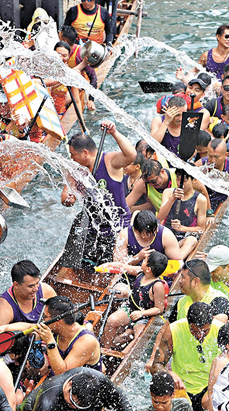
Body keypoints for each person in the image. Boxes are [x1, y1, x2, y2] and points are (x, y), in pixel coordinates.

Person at [62, 123, 138, 265]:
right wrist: (69, 199)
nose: (71, 158)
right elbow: (65, 197)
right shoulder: (75, 170)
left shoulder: (109, 161)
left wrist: (114, 133)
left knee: (108, 264)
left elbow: (131, 155)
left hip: (117, 223)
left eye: (73, 154)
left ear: (85, 153)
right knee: (84, 264)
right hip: (92, 225)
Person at [146, 302, 224, 411]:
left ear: (212, 321)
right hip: (182, 387)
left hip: (211, 387)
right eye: (194, 331)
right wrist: (169, 374)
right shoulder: (173, 331)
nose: (200, 336)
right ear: (187, 321)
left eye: (205, 331)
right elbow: (156, 365)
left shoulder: (221, 330)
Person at [100, 252, 169, 350]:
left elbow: (159, 309)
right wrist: (108, 265)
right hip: (130, 308)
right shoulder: (141, 272)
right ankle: (106, 349)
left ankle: (123, 356)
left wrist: (142, 313)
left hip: (144, 316)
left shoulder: (157, 286)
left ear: (149, 269)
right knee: (112, 320)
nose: (142, 261)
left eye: (144, 261)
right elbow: (123, 267)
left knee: (139, 339)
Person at [36, 296, 102, 376]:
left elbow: (62, 374)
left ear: (58, 321)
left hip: (83, 385)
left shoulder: (86, 341)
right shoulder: (56, 331)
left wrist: (50, 343)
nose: (43, 321)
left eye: (45, 317)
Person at [0, 260, 58, 332]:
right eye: (31, 286)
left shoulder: (46, 291)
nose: (36, 289)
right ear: (16, 285)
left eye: (37, 283)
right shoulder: (4, 307)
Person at [158, 169, 207, 258]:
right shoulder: (168, 192)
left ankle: (174, 263)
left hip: (183, 239)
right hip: (166, 235)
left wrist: (182, 228)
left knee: (192, 240)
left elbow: (201, 229)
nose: (180, 183)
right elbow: (160, 217)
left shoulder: (200, 200)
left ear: (194, 180)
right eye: (178, 179)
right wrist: (172, 199)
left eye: (184, 180)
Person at [114, 210, 185, 263]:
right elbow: (117, 265)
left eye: (155, 230)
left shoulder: (165, 234)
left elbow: (179, 262)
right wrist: (138, 257)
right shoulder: (124, 235)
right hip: (133, 272)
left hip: (159, 274)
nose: (154, 234)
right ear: (136, 231)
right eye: (148, 233)